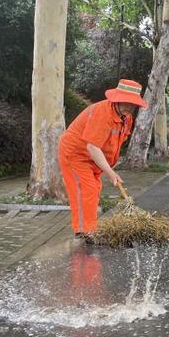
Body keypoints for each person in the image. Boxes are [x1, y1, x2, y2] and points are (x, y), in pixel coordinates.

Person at [58, 79, 147, 239]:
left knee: (94, 189)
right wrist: (111, 173)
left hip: (92, 158)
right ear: (117, 99)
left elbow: (113, 143)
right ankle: (84, 232)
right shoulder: (102, 113)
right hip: (75, 154)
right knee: (86, 189)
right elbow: (92, 146)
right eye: (126, 102)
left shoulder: (127, 118)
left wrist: (108, 166)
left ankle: (89, 228)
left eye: (132, 103)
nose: (129, 106)